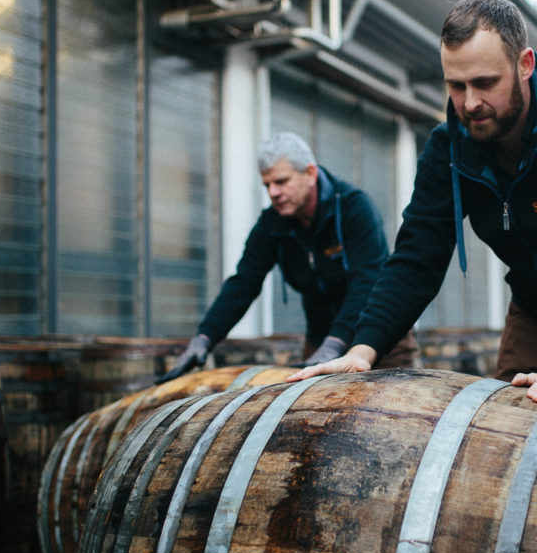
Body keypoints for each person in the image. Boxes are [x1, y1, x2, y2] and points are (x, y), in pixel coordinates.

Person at [290, 0, 537, 418]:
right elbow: (418, 256)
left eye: (485, 83)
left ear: (524, 65)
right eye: (456, 86)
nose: (470, 103)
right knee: (503, 436)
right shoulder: (448, 148)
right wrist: (363, 349)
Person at [159, 132, 415, 382]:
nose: (273, 193)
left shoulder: (352, 208)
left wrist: (335, 344)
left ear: (310, 174)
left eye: (281, 181)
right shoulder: (272, 223)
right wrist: (205, 337)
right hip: (320, 342)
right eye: (267, 185)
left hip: (378, 339)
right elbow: (243, 283)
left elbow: (367, 282)